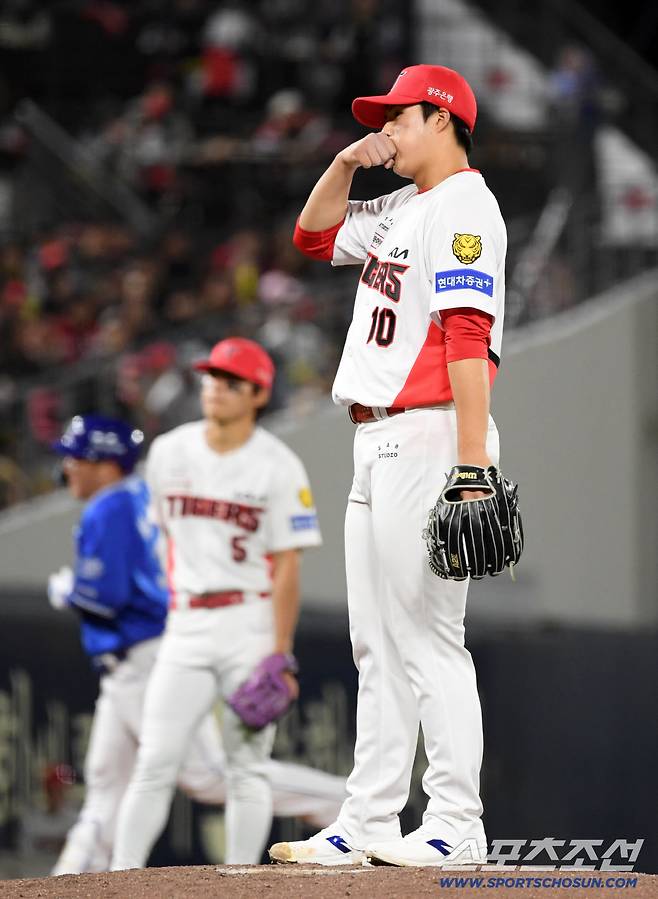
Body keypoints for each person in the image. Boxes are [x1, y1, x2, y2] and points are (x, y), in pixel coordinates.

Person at [268, 64, 506, 868]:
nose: (388, 132)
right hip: (376, 440)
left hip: (434, 434)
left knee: (430, 639)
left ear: (440, 119)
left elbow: (468, 341)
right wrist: (343, 163)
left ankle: (457, 820)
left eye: (398, 119)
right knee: (376, 641)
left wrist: (473, 465)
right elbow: (312, 237)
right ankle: (367, 819)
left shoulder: (467, 207)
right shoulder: (406, 203)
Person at [47, 411, 342, 875]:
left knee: (209, 776)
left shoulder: (112, 505)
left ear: (104, 463)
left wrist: (68, 591)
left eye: (77, 457)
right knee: (106, 788)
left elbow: (108, 596)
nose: (67, 466)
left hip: (146, 654)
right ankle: (70, 881)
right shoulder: (136, 496)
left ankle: (342, 802)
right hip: (129, 663)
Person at [110, 337, 323, 869]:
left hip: (248, 620)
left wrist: (280, 650)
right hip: (185, 624)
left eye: (231, 382)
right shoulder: (169, 451)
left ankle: (241, 880)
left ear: (258, 394)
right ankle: (116, 878)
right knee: (155, 760)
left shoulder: (278, 465)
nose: (216, 390)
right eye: (210, 378)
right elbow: (161, 539)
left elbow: (288, 565)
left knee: (245, 767)